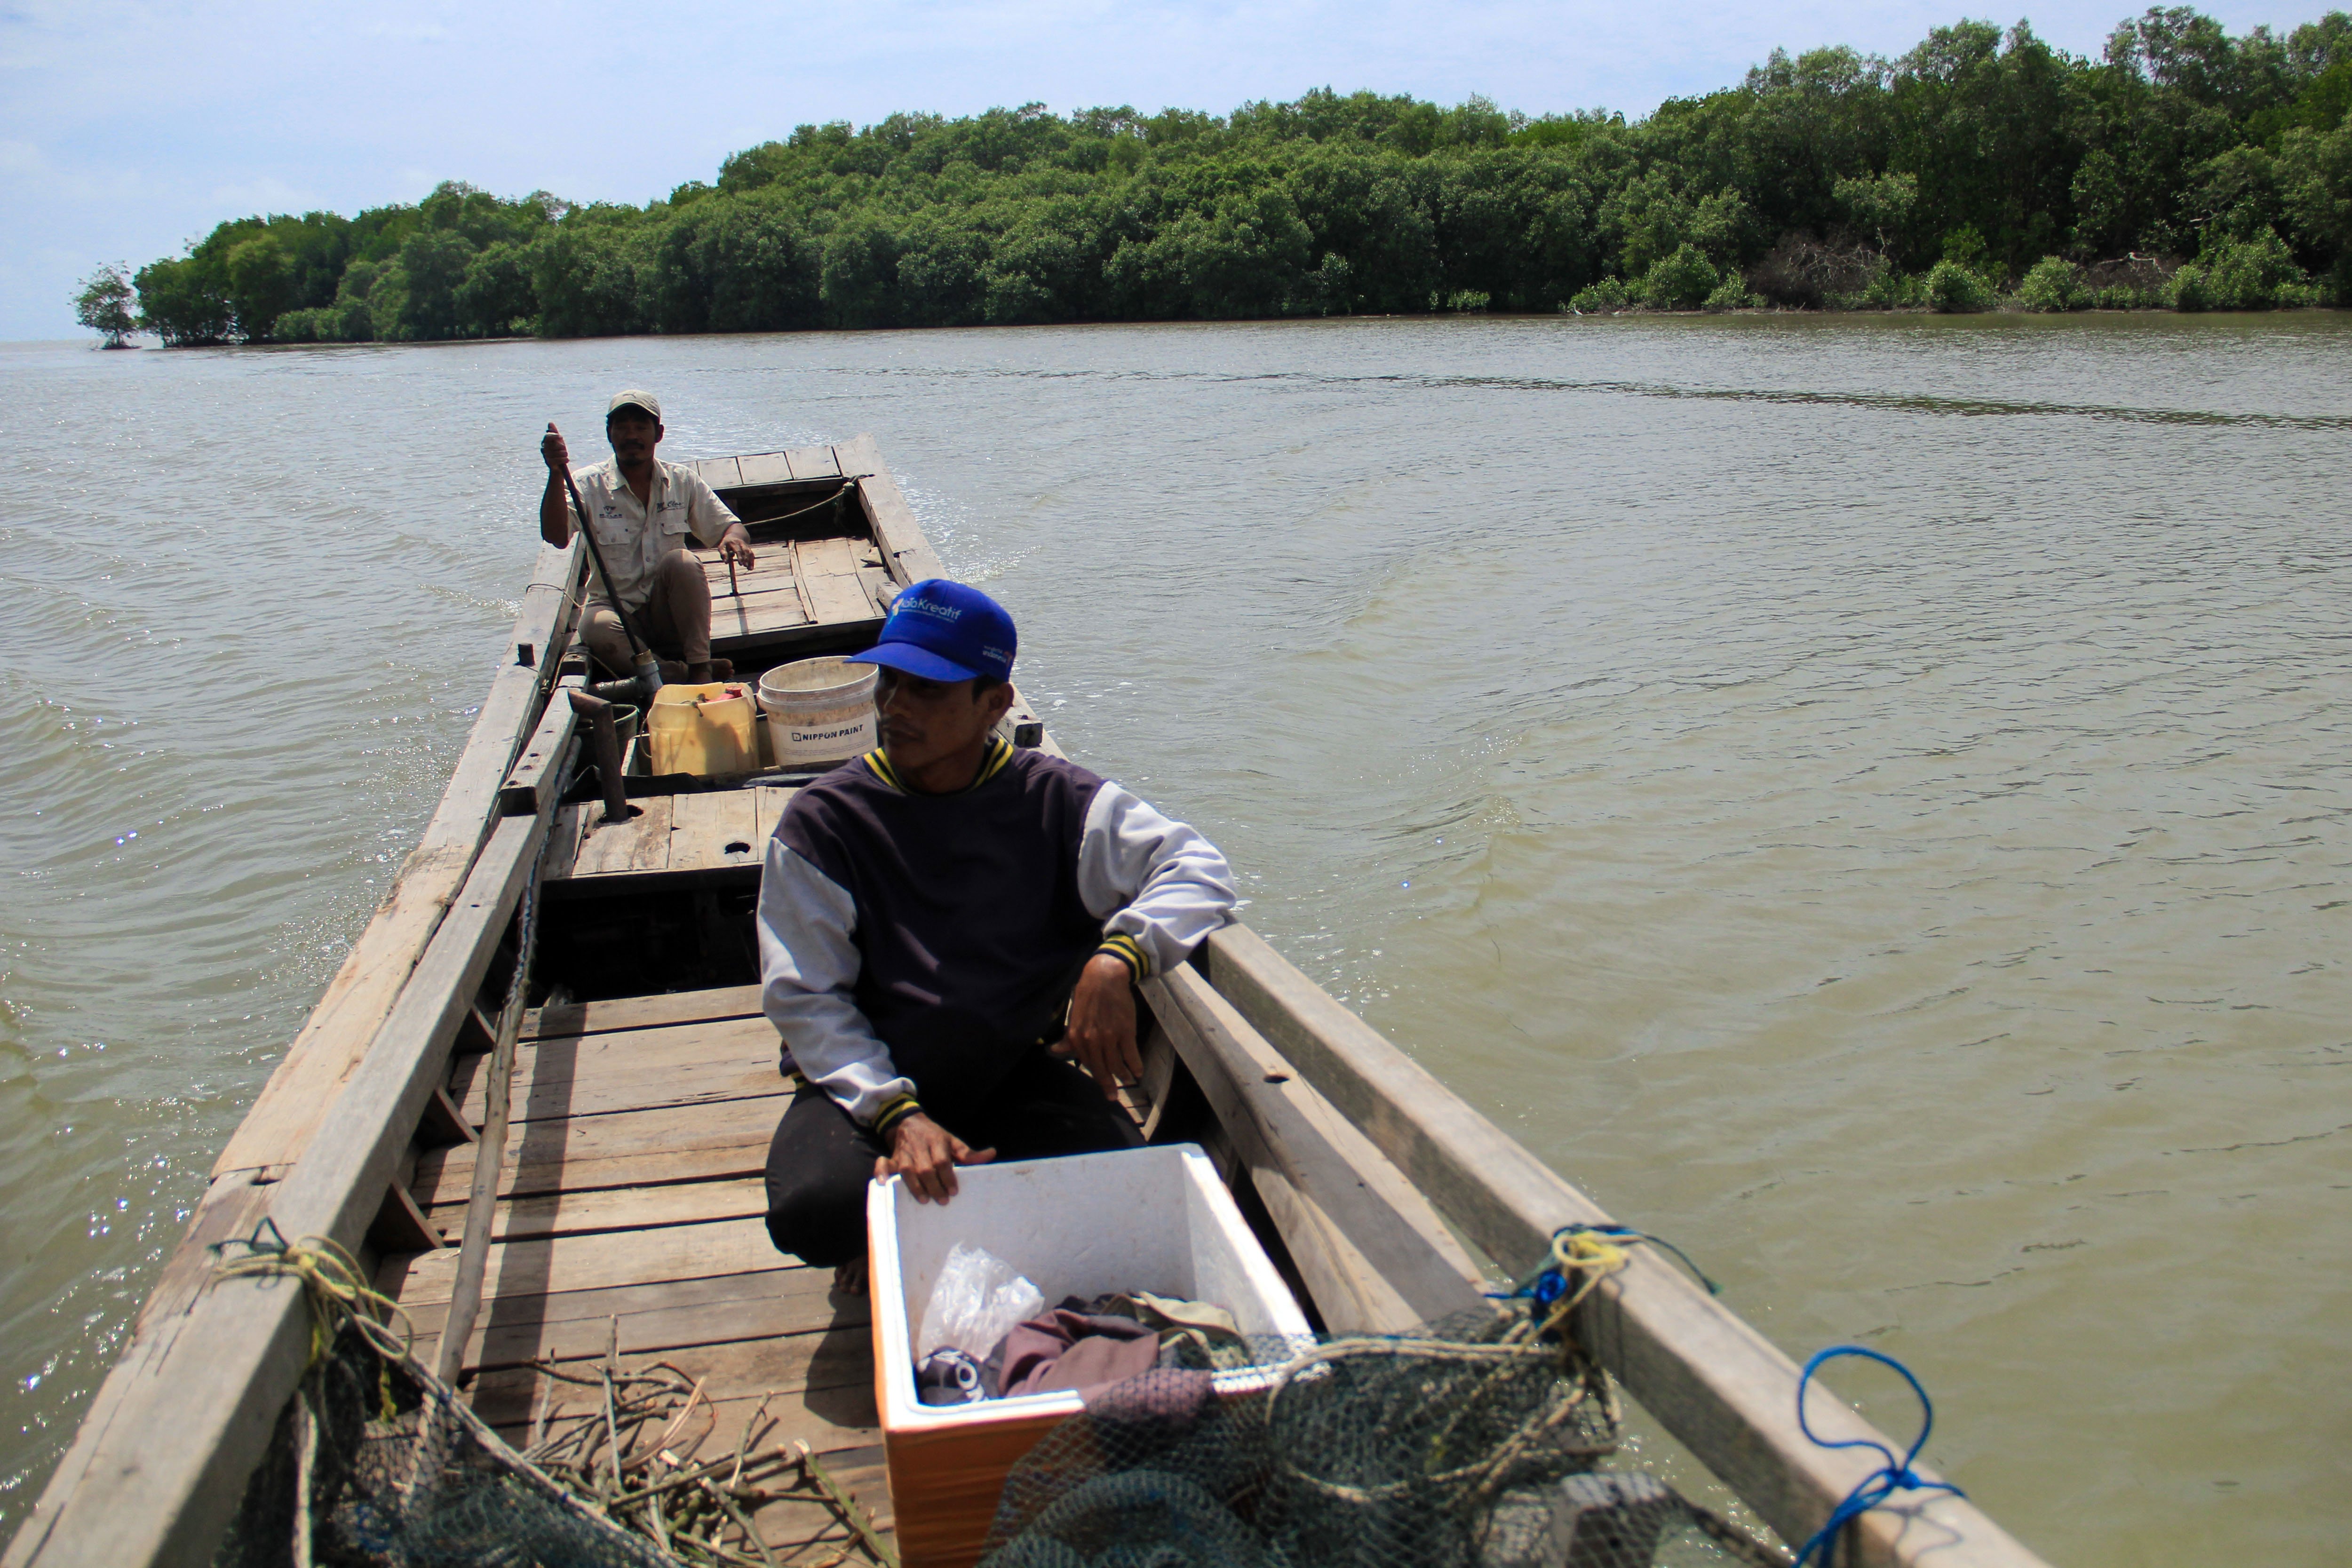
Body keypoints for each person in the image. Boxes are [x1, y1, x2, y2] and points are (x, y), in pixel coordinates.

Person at [757, 579, 1235, 1285]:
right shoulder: (824, 824)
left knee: (1128, 1184)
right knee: (817, 1208)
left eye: (927, 690)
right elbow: (809, 1002)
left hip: (1009, 1072)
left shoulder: (1058, 802)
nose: (893, 707)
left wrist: (1118, 957)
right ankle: (887, 1228)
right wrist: (897, 1116)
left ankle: (932, 1209)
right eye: (889, 681)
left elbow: (1199, 867)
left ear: (995, 704)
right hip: (865, 1086)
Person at [540, 390, 757, 684]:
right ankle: (678, 673)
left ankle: (701, 667)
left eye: (641, 427)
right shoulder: (587, 484)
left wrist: (734, 540)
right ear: (610, 434)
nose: (632, 436)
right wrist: (556, 473)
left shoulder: (681, 480)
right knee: (594, 627)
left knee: (683, 561)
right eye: (623, 427)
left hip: (667, 612)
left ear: (658, 434)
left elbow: (730, 526)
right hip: (616, 611)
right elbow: (556, 536)